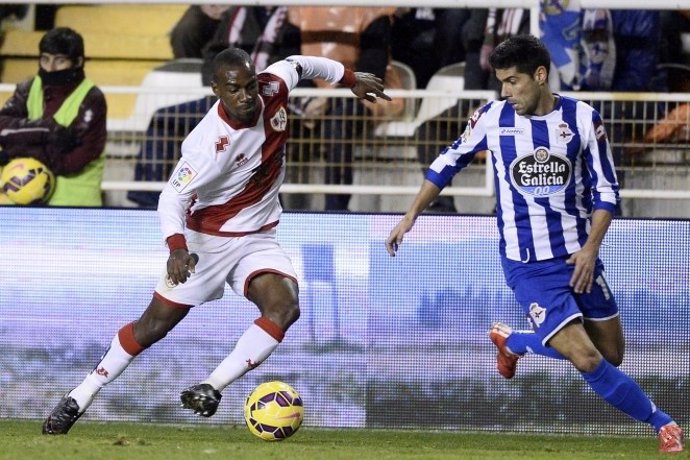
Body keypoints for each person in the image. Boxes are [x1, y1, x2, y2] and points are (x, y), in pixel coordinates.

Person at [42, 47, 390, 434]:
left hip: (258, 238)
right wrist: (177, 247)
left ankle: (211, 387)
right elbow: (171, 198)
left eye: (250, 86)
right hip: (206, 243)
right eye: (235, 89)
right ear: (216, 90)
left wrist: (350, 78)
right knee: (152, 327)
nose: (246, 97)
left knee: (285, 307)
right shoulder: (207, 145)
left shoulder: (273, 88)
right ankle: (80, 396)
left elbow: (300, 63)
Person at [385, 35, 685, 454]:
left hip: (580, 258)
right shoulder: (492, 118)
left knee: (611, 354)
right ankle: (663, 424)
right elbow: (446, 162)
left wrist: (591, 248)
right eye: (502, 83)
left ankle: (515, 342)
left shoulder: (582, 118)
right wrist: (411, 214)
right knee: (586, 359)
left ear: (540, 76)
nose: (506, 92)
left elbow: (607, 192)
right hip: (528, 266)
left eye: (513, 82)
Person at [127, 6, 298, 208]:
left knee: (261, 138)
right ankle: (147, 202)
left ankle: (271, 209)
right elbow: (211, 54)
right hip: (223, 100)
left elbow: (293, 71)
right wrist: (223, 86)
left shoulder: (290, 28)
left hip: (265, 104)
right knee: (162, 118)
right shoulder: (235, 17)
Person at [288, 7, 398, 211]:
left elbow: (372, 69)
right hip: (307, 96)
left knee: (337, 122)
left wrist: (328, 97)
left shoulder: (372, 12)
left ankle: (335, 209)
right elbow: (287, 61)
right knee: (276, 120)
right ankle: (273, 207)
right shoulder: (298, 10)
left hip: (359, 94)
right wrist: (308, 98)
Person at [0, 27, 107, 206]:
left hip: (73, 207)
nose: (50, 68)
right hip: (19, 200)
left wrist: (14, 150)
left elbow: (75, 159)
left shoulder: (92, 99)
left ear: (78, 62)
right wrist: (48, 131)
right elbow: (2, 128)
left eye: (60, 61)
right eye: (45, 59)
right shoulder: (27, 89)